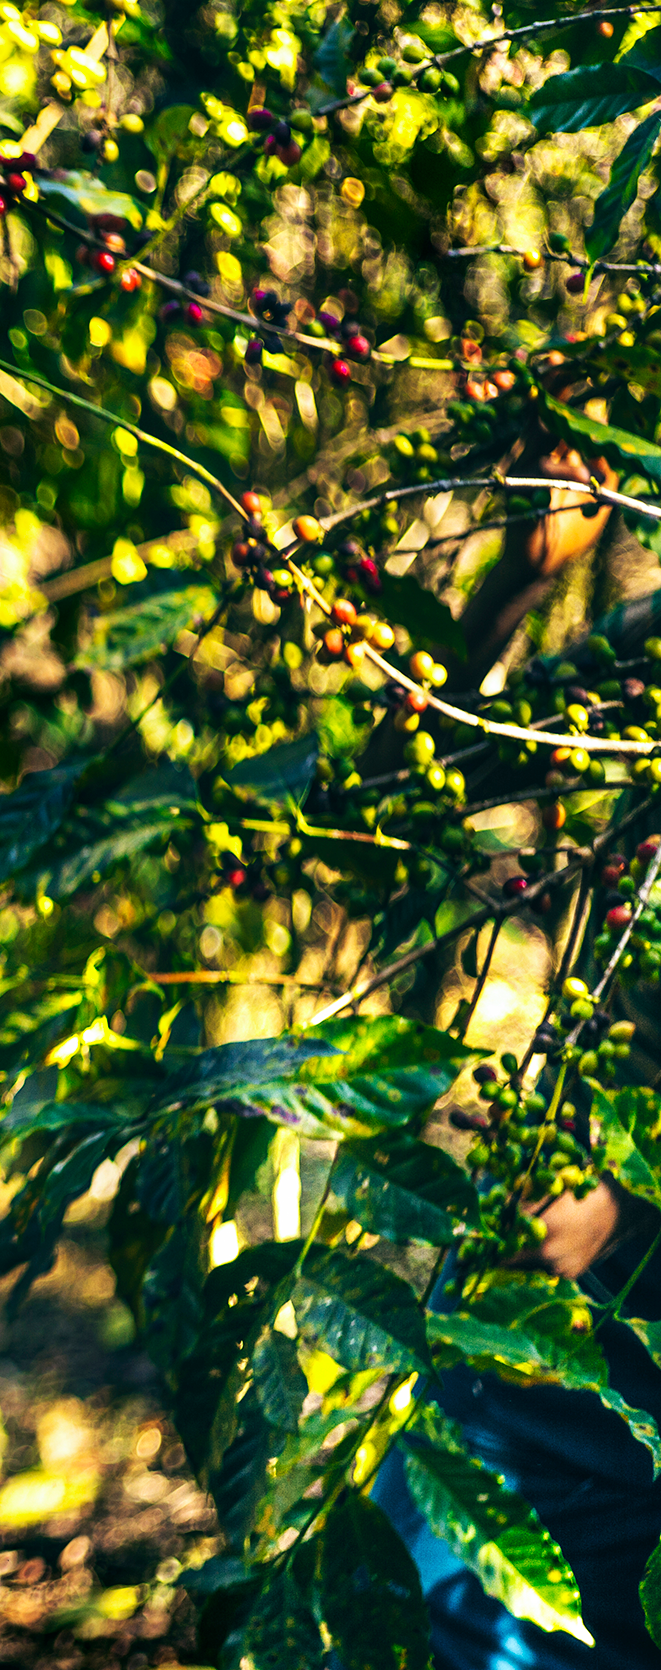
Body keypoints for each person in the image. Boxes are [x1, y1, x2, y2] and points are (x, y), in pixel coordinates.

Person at [376, 444, 661, 1668]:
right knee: (444, 1545)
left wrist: (637, 1186)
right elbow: (423, 772)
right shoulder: (644, 648)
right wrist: (515, 578)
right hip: (568, 1219)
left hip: (616, 1226)